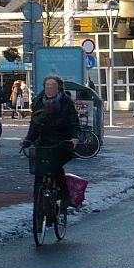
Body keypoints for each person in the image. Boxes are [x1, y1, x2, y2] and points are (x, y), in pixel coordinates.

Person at [22, 76, 80, 208]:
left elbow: (74, 122)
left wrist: (74, 137)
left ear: (58, 88)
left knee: (56, 166)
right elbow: (34, 124)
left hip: (62, 141)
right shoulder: (38, 101)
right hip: (43, 140)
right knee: (39, 170)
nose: (49, 88)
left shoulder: (66, 102)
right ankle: (39, 204)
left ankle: (65, 197)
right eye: (47, 86)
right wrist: (28, 139)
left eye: (52, 86)